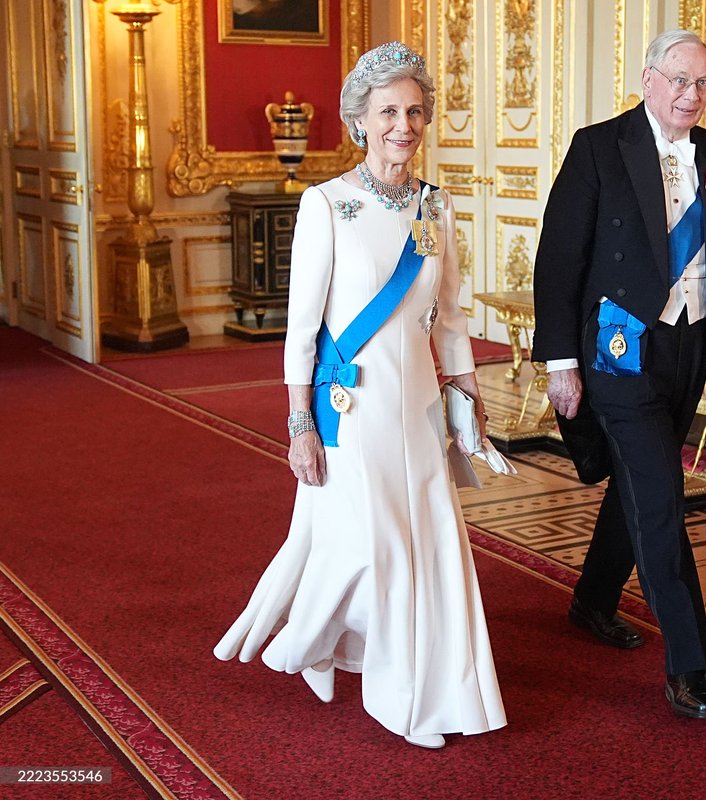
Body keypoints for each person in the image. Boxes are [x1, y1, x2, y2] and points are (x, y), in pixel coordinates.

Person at [214, 42, 506, 750]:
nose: (402, 125)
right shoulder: (327, 205)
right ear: (361, 122)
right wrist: (298, 427)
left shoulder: (437, 206)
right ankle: (375, 681)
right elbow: (302, 329)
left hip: (418, 408)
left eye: (413, 111)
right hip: (350, 410)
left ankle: (428, 685)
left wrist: (467, 393)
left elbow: (451, 315)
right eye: (387, 112)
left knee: (429, 546)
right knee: (372, 550)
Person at [532, 29, 706, 719]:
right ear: (647, 79)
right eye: (678, 80)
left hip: (686, 349)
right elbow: (558, 261)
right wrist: (561, 361)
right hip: (618, 349)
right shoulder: (598, 147)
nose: (690, 95)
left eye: (703, 84)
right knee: (663, 497)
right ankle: (689, 667)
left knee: (641, 479)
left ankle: (593, 601)